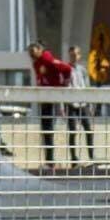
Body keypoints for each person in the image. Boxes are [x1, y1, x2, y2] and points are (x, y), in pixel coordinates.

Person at [28, 40, 74, 169]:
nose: (31, 54)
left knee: (52, 128)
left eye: (33, 51)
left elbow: (67, 68)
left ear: (39, 50)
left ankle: (54, 161)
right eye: (29, 53)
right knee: (46, 129)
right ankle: (50, 161)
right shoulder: (36, 63)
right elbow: (41, 77)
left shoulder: (48, 60)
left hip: (55, 95)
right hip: (45, 96)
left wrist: (65, 83)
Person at [65, 44, 96, 165]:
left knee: (88, 129)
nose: (74, 57)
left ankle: (91, 156)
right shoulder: (66, 68)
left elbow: (87, 87)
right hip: (71, 104)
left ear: (79, 55)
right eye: (71, 55)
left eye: (76, 54)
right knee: (73, 131)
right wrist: (63, 106)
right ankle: (73, 158)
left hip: (83, 104)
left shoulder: (83, 70)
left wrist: (90, 104)